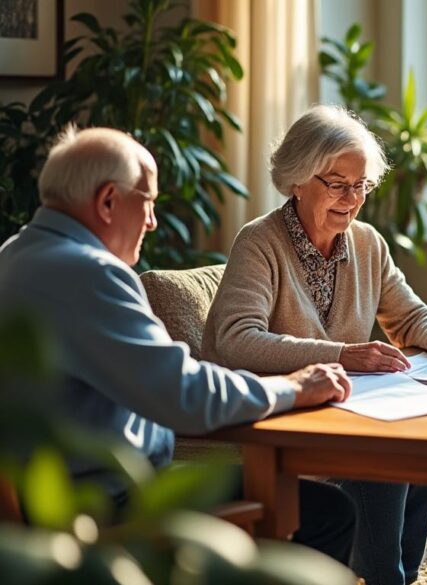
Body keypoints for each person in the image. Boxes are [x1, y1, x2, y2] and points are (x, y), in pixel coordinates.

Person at [0, 126, 360, 562]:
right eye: (148, 202)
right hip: (104, 504)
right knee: (328, 512)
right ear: (108, 201)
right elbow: (184, 393)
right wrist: (294, 387)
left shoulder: (14, 255)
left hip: (40, 498)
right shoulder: (91, 273)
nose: (152, 221)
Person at [202, 104, 427, 585]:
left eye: (360, 185)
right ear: (296, 180)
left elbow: (408, 314)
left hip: (342, 412)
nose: (351, 198)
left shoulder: (366, 242)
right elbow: (237, 340)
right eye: (337, 184)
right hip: (276, 423)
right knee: (385, 457)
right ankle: (384, 575)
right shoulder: (258, 243)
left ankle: (397, 574)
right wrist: (340, 355)